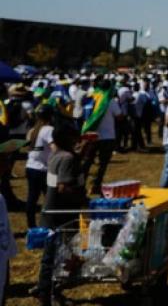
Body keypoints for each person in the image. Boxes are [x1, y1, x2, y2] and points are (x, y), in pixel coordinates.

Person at [37, 124, 85, 306]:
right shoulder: (67, 158)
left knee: (55, 256)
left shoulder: (56, 156)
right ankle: (46, 294)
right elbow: (63, 188)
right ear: (67, 139)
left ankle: (48, 291)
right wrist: (82, 200)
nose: (77, 140)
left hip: (53, 212)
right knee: (53, 258)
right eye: (74, 137)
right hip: (61, 215)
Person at [80, 79, 121, 195]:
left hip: (91, 136)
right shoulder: (110, 101)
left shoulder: (91, 98)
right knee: (102, 164)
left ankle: (80, 185)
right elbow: (119, 116)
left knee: (87, 162)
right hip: (107, 137)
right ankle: (96, 186)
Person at [24, 106, 54, 230]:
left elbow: (31, 148)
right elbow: (54, 147)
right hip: (43, 169)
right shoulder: (48, 129)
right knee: (50, 199)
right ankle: (49, 224)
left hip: (30, 167)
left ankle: (31, 225)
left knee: (32, 197)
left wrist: (43, 150)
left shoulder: (33, 130)